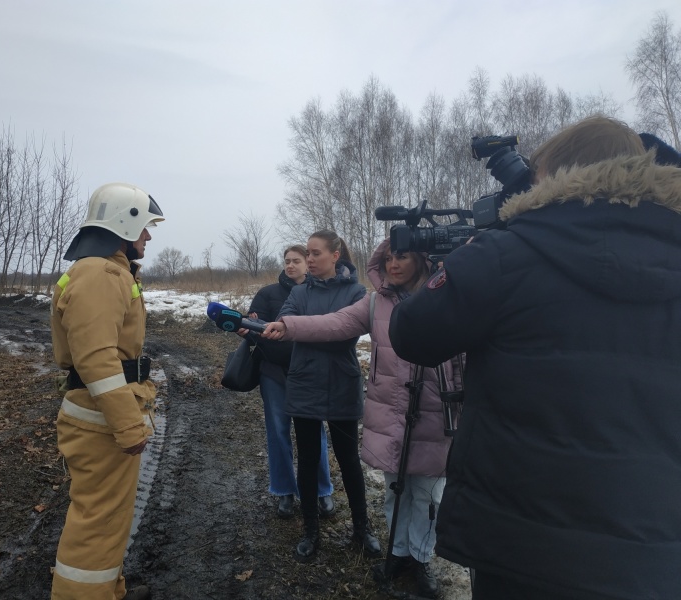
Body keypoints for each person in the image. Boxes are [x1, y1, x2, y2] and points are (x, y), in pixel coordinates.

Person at [388, 116, 681, 600]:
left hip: (522, 538)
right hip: (652, 546)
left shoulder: (508, 253)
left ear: (554, 178)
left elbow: (412, 333)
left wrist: (468, 260)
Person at [263, 239, 460, 598]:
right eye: (388, 257)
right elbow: (333, 323)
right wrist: (288, 326)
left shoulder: (446, 296)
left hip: (432, 410)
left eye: (402, 256)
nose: (394, 264)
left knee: (428, 494)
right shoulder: (374, 302)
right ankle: (398, 553)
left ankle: (421, 558)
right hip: (391, 411)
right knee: (395, 490)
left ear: (421, 258)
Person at [50, 182, 164, 600]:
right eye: (146, 227)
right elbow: (97, 360)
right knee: (98, 521)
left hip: (99, 416)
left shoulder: (105, 270)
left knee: (109, 517)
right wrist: (129, 426)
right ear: (124, 222)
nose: (148, 236)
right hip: (100, 420)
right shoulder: (99, 274)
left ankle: (107, 591)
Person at [262, 230, 380, 562]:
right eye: (307, 254)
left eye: (315, 254)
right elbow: (286, 327)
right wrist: (298, 328)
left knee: (348, 459)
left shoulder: (357, 292)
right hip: (304, 384)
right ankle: (311, 531)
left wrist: (303, 328)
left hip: (341, 384)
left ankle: (362, 529)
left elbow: (344, 338)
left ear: (335, 255)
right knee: (310, 459)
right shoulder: (298, 292)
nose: (310, 260)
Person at [245, 245, 335, 519]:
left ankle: (322, 491)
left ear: (308, 264)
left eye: (297, 261)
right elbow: (252, 329)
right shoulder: (268, 293)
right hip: (274, 373)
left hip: (309, 375)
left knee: (315, 433)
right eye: (287, 261)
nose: (291, 265)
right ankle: (284, 490)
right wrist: (246, 328)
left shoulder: (318, 293)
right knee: (278, 432)